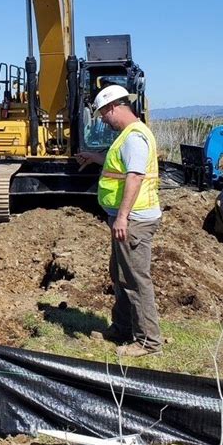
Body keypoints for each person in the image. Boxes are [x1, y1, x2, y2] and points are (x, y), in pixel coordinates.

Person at [75, 84, 162, 357]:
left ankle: (149, 342)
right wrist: (96, 157)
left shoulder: (134, 137)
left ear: (114, 107)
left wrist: (122, 216)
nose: (102, 118)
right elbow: (122, 167)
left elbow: (134, 177)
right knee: (121, 275)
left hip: (133, 219)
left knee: (136, 279)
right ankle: (123, 327)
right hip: (126, 219)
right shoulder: (127, 136)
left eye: (103, 113)